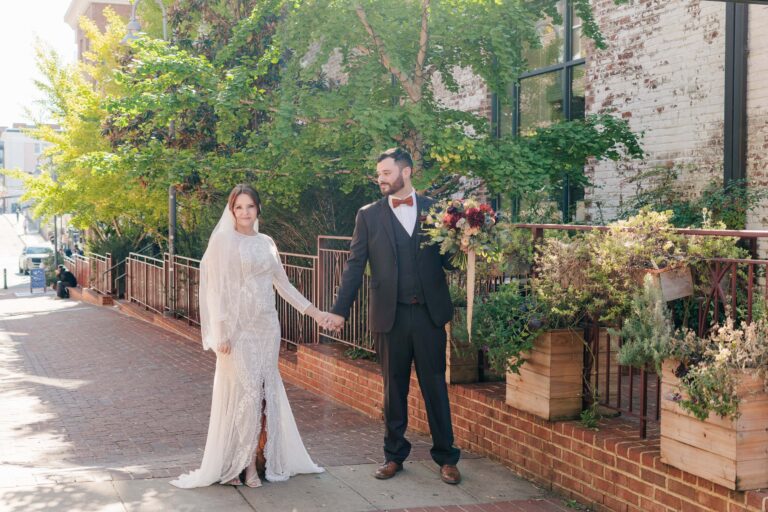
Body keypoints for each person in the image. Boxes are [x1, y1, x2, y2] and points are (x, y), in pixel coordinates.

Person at [171, 184, 328, 489]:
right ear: (231, 210)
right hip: (238, 330)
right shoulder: (223, 242)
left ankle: (259, 460)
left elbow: (283, 285)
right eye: (239, 207)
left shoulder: (267, 241)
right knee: (248, 395)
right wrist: (221, 331)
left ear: (258, 209)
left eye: (250, 207)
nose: (245, 212)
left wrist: (316, 313)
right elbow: (217, 290)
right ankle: (241, 466)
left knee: (265, 393)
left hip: (267, 326)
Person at [323, 148, 461, 485]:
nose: (381, 179)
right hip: (389, 316)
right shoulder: (368, 216)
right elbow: (355, 266)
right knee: (393, 389)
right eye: (379, 174)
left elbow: (450, 262)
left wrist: (465, 244)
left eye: (386, 172)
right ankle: (393, 455)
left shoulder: (437, 212)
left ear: (407, 171)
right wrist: (340, 311)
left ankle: (446, 457)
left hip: (428, 315)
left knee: (435, 389)